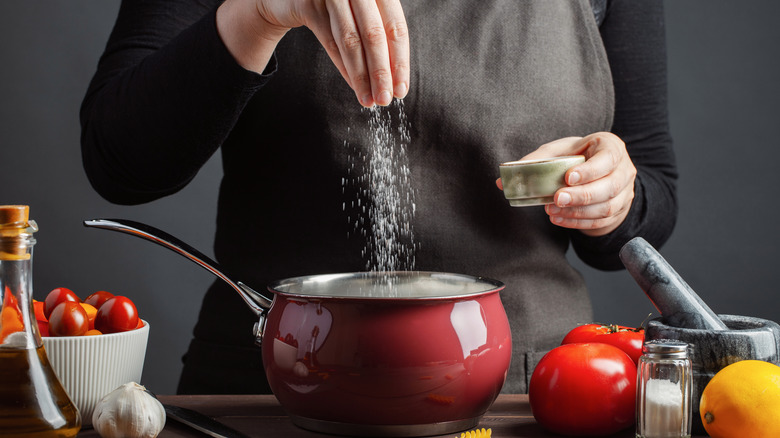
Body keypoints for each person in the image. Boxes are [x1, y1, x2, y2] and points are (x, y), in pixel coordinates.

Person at [80, 0, 677, 394]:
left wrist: (612, 199)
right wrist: (257, 15)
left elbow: (653, 193)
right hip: (273, 386)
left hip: (528, 393)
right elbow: (120, 164)